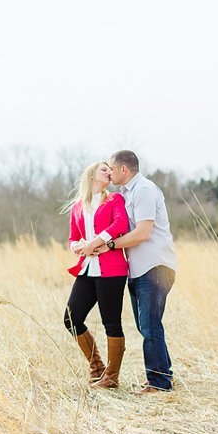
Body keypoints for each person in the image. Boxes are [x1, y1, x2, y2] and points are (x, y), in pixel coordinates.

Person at [80, 150, 178, 394]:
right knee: (147, 325)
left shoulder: (144, 190)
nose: (109, 173)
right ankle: (164, 375)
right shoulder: (126, 193)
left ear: (124, 169)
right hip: (138, 268)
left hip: (154, 266)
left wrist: (109, 244)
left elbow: (143, 233)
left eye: (111, 168)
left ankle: (159, 384)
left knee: (150, 325)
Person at [64, 161, 130, 389]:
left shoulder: (115, 200)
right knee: (71, 318)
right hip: (87, 269)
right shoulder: (78, 206)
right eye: (105, 169)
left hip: (112, 269)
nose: (109, 173)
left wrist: (95, 241)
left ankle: (111, 378)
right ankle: (97, 367)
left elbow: (121, 224)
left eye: (110, 170)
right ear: (92, 174)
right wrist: (78, 247)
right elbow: (72, 238)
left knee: (111, 322)